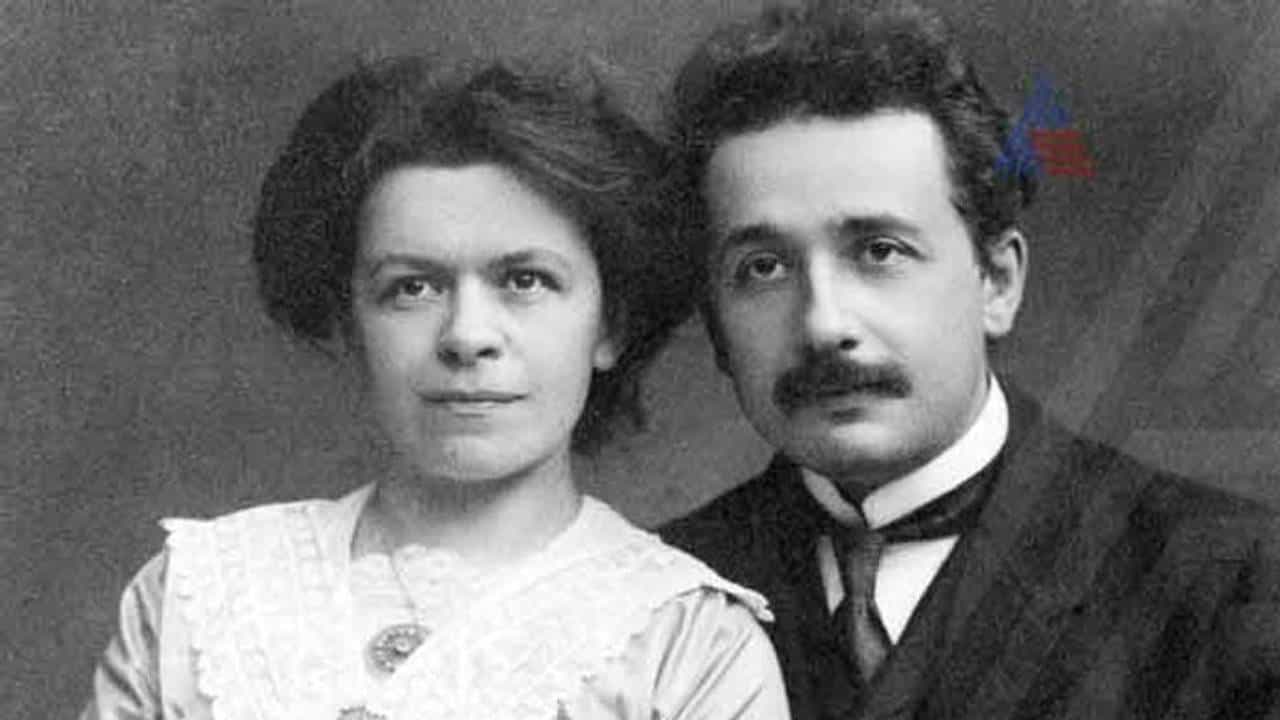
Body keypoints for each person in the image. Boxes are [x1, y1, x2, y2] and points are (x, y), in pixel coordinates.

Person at [81, 57, 789, 720]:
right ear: (350, 324)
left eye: (525, 280)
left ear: (609, 325)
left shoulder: (688, 641)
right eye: (412, 288)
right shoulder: (201, 593)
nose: (467, 336)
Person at [658, 3, 1280, 719]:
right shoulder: (655, 600)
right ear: (715, 321)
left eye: (880, 252)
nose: (824, 324)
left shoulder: (1232, 584)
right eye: (763, 268)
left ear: (997, 282)